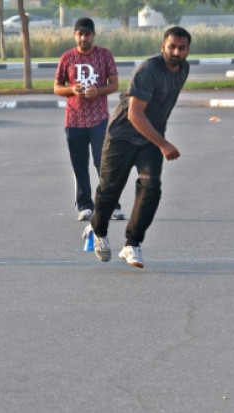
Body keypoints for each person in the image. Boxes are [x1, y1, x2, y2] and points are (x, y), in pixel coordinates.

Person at [86, 26, 192, 269]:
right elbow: (134, 114)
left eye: (181, 48)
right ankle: (98, 231)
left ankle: (132, 243)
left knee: (151, 187)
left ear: (188, 50)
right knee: (110, 189)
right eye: (171, 46)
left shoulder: (183, 69)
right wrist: (163, 143)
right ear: (162, 47)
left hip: (150, 139)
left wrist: (158, 140)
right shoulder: (148, 70)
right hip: (122, 136)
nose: (176, 52)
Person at [54, 17, 125, 222]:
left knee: (104, 163)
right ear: (75, 35)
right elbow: (57, 87)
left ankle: (111, 205)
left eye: (87, 34)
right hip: (74, 120)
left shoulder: (104, 55)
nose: (83, 37)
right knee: (79, 165)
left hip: (99, 119)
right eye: (79, 34)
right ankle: (85, 205)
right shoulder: (67, 58)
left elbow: (114, 84)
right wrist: (71, 89)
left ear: (93, 35)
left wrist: (98, 91)